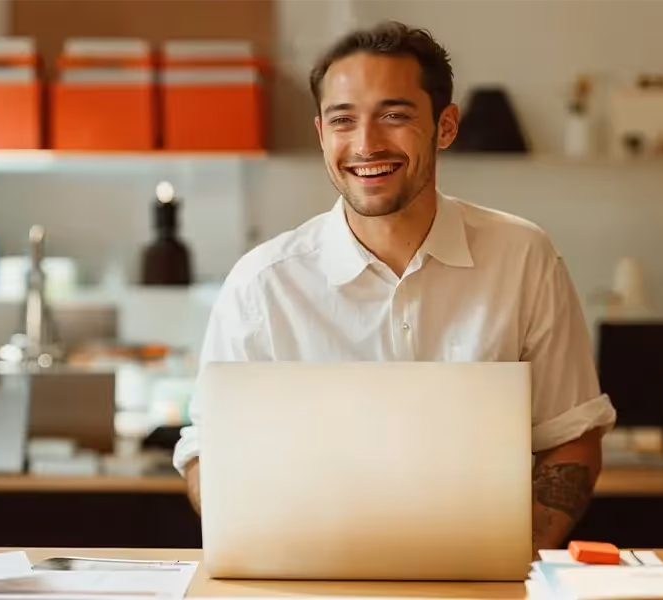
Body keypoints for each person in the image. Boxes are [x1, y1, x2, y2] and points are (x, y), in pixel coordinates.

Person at [173, 21, 615, 552]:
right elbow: (212, 449)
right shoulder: (262, 283)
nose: (366, 144)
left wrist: (509, 556)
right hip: (308, 581)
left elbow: (571, 437)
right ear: (321, 134)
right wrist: (255, 537)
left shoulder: (524, 257)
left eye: (394, 116)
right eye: (343, 120)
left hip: (480, 583)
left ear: (445, 126)